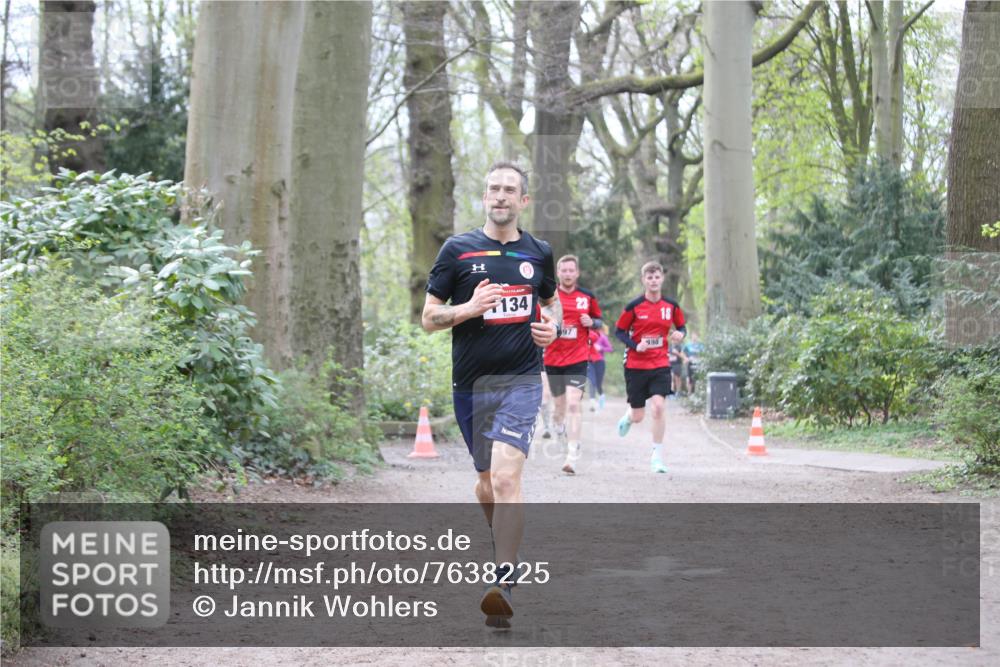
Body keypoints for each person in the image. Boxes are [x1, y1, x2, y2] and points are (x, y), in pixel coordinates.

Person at [421, 161, 559, 627]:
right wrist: (469, 308)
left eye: (509, 190)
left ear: (524, 201)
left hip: (521, 381)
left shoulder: (539, 252)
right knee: (485, 484)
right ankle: (503, 540)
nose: (500, 196)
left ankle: (503, 579)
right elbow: (428, 317)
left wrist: (552, 328)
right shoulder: (457, 251)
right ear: (485, 197)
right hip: (471, 386)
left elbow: (551, 300)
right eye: (493, 189)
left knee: (505, 480)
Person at [614, 261, 686, 473]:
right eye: (649, 277)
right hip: (636, 365)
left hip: (660, 363)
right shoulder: (634, 306)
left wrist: (680, 333)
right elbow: (619, 332)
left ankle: (657, 456)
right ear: (643, 280)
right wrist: (636, 345)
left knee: (658, 407)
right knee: (638, 416)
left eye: (657, 277)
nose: (653, 281)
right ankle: (628, 417)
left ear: (662, 279)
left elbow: (681, 326)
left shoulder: (671, 306)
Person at [542, 255, 602, 475]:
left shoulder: (587, 297)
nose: (567, 274)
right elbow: (538, 319)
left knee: (574, 404)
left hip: (578, 357)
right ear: (558, 273)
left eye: (571, 270)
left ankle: (572, 455)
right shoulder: (549, 296)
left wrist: (592, 322)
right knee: (559, 408)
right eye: (563, 270)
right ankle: (558, 425)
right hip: (553, 358)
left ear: (577, 273)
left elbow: (599, 321)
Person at [587, 324, 613, 412]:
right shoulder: (586, 336)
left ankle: (601, 397)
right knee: (592, 381)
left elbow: (610, 349)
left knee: (598, 384)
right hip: (589, 361)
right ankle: (592, 403)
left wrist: (601, 348)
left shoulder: (602, 337)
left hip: (600, 362)